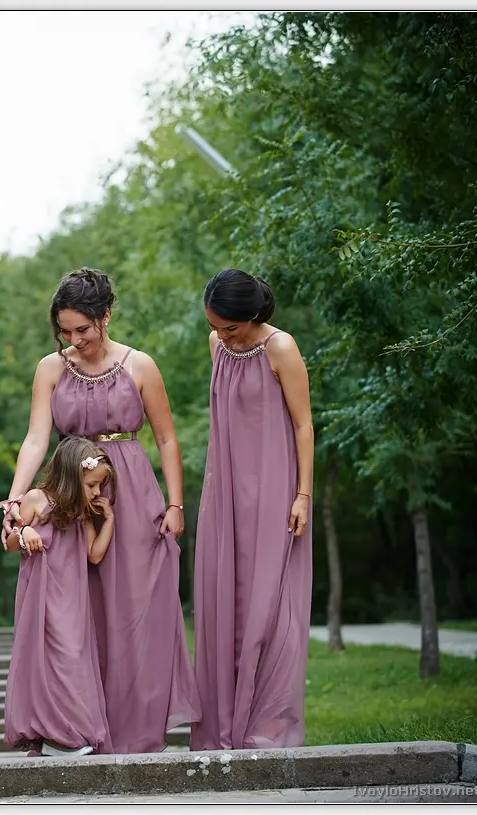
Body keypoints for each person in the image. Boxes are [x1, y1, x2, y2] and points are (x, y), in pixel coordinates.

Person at [0, 267, 199, 754]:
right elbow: (36, 438)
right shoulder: (50, 368)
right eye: (65, 331)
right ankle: (76, 728)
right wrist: (16, 498)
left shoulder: (140, 365)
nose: (74, 340)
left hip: (130, 493)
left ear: (105, 316)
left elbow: (167, 438)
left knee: (132, 613)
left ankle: (133, 734)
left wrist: (175, 503)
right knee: (71, 615)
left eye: (82, 329)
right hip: (69, 494)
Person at [190, 268, 314, 751]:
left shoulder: (280, 347)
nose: (222, 336)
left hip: (275, 489)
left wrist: (303, 494)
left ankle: (268, 726)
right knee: (227, 602)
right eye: (214, 326)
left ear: (253, 315)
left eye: (230, 327)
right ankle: (225, 727)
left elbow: (303, 425)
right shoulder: (217, 345)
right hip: (225, 488)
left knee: (270, 607)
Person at [3, 437, 116, 758]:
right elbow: (10, 543)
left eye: (99, 485)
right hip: (41, 595)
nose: (96, 492)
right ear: (70, 475)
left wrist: (108, 520)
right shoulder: (35, 499)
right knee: (46, 662)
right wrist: (24, 531)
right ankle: (55, 735)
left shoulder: (81, 513)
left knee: (72, 660)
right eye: (92, 485)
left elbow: (94, 555)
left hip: (72, 599)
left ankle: (68, 734)